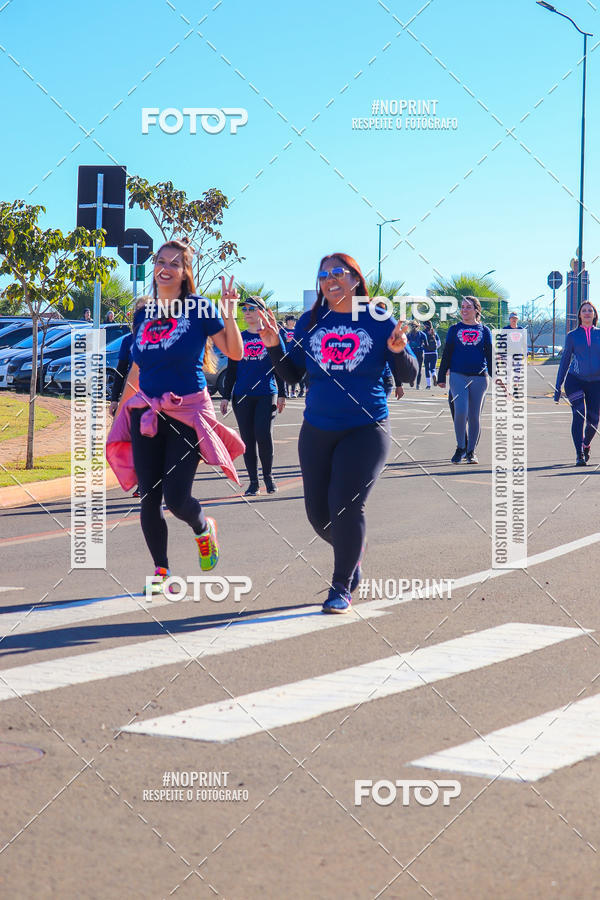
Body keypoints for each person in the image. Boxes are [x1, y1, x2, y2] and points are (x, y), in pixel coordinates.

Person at [257, 252, 417, 614]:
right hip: (317, 428)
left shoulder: (377, 318)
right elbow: (294, 375)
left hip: (366, 427)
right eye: (324, 274)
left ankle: (341, 584)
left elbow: (408, 374)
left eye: (339, 273)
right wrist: (272, 345)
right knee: (318, 515)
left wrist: (400, 351)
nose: (331, 279)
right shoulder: (310, 321)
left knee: (347, 506)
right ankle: (352, 554)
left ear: (355, 279)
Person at [106, 238, 245, 594]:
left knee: (177, 498)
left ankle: (203, 528)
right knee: (149, 496)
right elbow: (137, 366)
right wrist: (120, 412)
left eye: (174, 263)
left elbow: (233, 351)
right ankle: (161, 571)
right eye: (160, 262)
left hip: (186, 412)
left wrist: (228, 314)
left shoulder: (200, 308)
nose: (165, 268)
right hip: (146, 413)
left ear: (185, 273)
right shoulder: (142, 312)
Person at [221, 296, 286, 495]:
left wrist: (282, 394)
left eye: (251, 308)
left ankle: (269, 477)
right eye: (244, 308)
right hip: (242, 395)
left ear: (262, 312)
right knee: (247, 439)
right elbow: (231, 370)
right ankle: (253, 482)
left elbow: (279, 365)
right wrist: (225, 395)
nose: (247, 312)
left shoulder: (271, 335)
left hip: (266, 393)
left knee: (263, 434)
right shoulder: (239, 337)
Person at [437, 295, 493, 464]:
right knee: (460, 411)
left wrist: (496, 376)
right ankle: (460, 447)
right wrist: (441, 377)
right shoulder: (454, 329)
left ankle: (471, 452)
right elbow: (446, 354)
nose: (464, 310)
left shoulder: (485, 330)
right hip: (457, 375)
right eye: (462, 307)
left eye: (468, 307)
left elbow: (490, 355)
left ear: (476, 310)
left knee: (474, 416)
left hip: (479, 377)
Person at [554, 301, 600, 466]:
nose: (587, 313)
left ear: (594, 315)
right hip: (575, 380)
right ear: (579, 315)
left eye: (590, 310)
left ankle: (585, 444)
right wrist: (558, 386)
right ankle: (579, 454)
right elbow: (565, 361)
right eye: (584, 311)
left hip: (596, 383)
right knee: (579, 414)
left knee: (594, 420)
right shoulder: (572, 336)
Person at [280, 315, 304, 397]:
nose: (293, 322)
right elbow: (279, 341)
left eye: (294, 320)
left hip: (295, 354)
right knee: (286, 373)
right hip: (286, 354)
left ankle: (293, 391)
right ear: (288, 321)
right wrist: (286, 340)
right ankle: (286, 392)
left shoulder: (298, 330)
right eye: (291, 320)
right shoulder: (283, 331)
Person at [422, 320, 441, 389]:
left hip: (426, 353)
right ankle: (434, 375)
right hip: (434, 353)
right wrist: (435, 348)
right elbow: (439, 343)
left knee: (427, 369)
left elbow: (421, 343)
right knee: (433, 368)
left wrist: (425, 349)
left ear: (425, 326)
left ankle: (428, 385)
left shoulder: (423, 333)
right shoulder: (434, 333)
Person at [407, 321, 426, 388]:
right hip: (420, 352)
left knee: (411, 368)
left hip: (411, 352)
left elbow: (405, 344)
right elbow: (426, 345)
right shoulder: (422, 334)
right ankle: (417, 385)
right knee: (419, 369)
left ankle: (411, 380)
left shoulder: (408, 334)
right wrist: (423, 345)